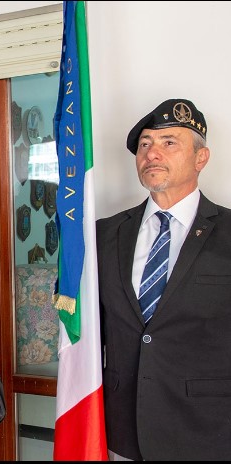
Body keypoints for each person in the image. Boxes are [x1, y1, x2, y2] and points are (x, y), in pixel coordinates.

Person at [97, 98, 231, 461]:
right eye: (144, 145)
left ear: (201, 158)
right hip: (122, 432)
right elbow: (86, 329)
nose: (152, 153)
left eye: (169, 142)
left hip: (210, 434)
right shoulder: (103, 235)